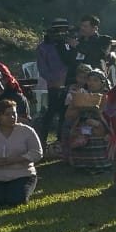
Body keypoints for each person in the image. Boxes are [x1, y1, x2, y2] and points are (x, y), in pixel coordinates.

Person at [0, 97, 43, 209]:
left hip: (22, 174)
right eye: (7, 114)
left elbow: (37, 153)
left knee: (16, 201)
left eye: (14, 114)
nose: (12, 117)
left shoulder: (27, 131)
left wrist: (17, 159)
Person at [66, 68, 113, 174]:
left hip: (100, 125)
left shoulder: (108, 97)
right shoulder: (81, 95)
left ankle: (101, 165)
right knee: (79, 132)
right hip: (83, 124)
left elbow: (111, 117)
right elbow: (68, 115)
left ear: (102, 83)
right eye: (90, 80)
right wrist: (79, 108)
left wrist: (97, 115)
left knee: (97, 131)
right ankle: (82, 164)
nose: (91, 83)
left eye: (95, 80)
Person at [34, 18, 71, 148]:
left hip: (70, 83)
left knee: (65, 112)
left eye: (64, 31)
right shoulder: (44, 47)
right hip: (53, 84)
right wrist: (53, 79)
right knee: (51, 112)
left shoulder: (69, 43)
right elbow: (42, 68)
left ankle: (61, 140)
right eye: (58, 31)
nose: (61, 34)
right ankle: (42, 141)